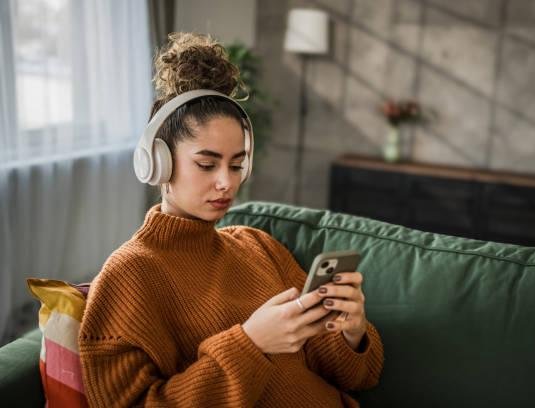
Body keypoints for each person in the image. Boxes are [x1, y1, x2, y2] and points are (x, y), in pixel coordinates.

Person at [78, 32, 384, 407]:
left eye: (237, 165)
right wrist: (251, 345)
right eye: (206, 164)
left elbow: (356, 376)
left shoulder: (257, 246)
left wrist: (352, 332)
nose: (226, 182)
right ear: (157, 163)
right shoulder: (129, 276)